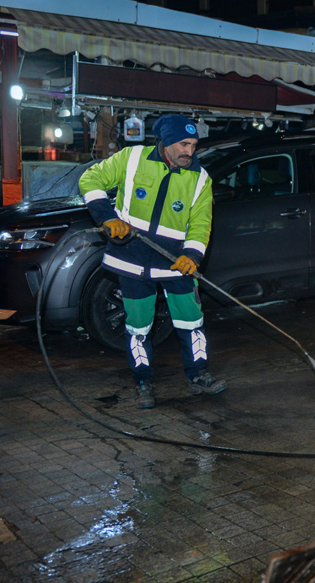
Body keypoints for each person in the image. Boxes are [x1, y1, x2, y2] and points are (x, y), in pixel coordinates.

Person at [78, 114, 226, 408]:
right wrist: (107, 217)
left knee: (191, 321)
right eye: (184, 144)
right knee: (139, 327)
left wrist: (192, 255)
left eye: (194, 145)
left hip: (176, 263)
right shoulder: (131, 158)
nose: (190, 151)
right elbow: (90, 179)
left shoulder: (200, 179)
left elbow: (200, 223)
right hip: (132, 260)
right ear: (167, 142)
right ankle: (143, 382)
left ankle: (198, 376)